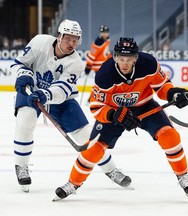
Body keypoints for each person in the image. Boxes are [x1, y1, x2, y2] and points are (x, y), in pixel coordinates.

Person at [54, 37, 188, 201]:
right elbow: (96, 106)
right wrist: (113, 115)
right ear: (115, 57)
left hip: (145, 106)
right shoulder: (105, 74)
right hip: (115, 112)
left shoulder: (149, 63)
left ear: (135, 58)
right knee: (93, 149)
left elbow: (162, 85)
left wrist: (174, 94)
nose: (125, 63)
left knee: (169, 136)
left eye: (129, 59)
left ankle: (183, 176)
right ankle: (73, 183)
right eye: (121, 58)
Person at [11, 19, 131, 193]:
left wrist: (45, 94)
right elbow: (22, 62)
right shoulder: (39, 41)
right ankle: (21, 167)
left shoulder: (76, 62)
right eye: (68, 38)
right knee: (25, 122)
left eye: (75, 40)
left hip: (60, 100)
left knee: (87, 137)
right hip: (32, 91)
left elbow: (62, 90)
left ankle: (111, 170)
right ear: (59, 36)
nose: (72, 43)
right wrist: (23, 75)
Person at [84, 25, 112, 104]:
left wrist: (111, 60)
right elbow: (92, 55)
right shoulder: (98, 42)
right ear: (100, 33)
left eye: (106, 32)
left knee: (103, 83)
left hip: (104, 67)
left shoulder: (106, 41)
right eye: (103, 32)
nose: (105, 34)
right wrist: (88, 66)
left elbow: (107, 53)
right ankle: (91, 99)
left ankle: (93, 99)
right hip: (98, 68)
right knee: (100, 83)